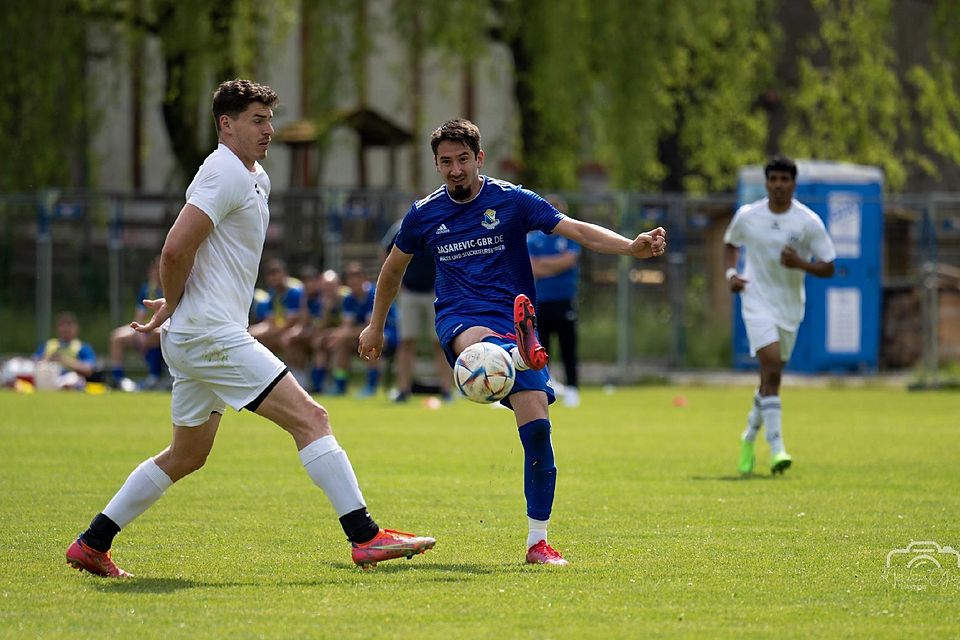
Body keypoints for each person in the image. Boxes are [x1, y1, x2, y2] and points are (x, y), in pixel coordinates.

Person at [65, 79, 434, 578]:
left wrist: (180, 304)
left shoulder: (252, 175)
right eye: (257, 120)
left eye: (269, 119)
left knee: (187, 454)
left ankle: (92, 543)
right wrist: (174, 303)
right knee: (312, 419)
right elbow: (174, 249)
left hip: (200, 334)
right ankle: (365, 537)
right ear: (226, 124)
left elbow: (199, 252)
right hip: (211, 335)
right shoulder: (223, 173)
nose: (269, 130)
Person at [358, 119, 666, 565]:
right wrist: (374, 326)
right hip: (462, 319)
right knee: (476, 350)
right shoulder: (424, 214)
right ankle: (516, 354)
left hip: (514, 317)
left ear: (479, 158)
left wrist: (631, 248)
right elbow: (392, 270)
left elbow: (576, 230)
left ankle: (537, 543)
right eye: (446, 162)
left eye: (463, 159)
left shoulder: (512, 200)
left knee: (538, 431)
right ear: (436, 165)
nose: (455, 169)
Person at [723, 155, 836, 477]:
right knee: (771, 366)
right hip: (755, 300)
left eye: (784, 179)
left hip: (790, 307)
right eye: (773, 179)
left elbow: (829, 265)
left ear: (793, 184)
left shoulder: (808, 222)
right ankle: (777, 449)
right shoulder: (749, 216)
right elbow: (729, 243)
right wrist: (731, 273)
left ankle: (747, 437)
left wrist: (801, 264)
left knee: (770, 378)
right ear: (766, 183)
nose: (778, 185)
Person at [380, 218, 451, 403]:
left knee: (441, 342)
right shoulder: (402, 226)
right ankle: (404, 390)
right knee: (406, 342)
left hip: (435, 293)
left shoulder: (439, 225)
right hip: (409, 292)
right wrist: (398, 283)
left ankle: (447, 390)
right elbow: (386, 252)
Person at [527, 195, 581, 407]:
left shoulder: (570, 238)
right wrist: (553, 265)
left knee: (569, 346)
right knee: (541, 348)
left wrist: (545, 265)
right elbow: (532, 266)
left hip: (564, 299)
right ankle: (545, 387)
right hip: (540, 301)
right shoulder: (533, 239)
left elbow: (569, 261)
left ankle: (573, 388)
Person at [330, 262, 396, 397]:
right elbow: (347, 325)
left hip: (387, 333)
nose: (353, 281)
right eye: (350, 278)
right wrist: (339, 335)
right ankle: (340, 384)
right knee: (342, 344)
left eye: (356, 277)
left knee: (371, 342)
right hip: (361, 335)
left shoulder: (373, 294)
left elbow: (372, 327)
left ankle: (371, 386)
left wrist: (343, 335)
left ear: (364, 279)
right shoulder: (349, 299)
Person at [109, 256, 165, 391]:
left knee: (155, 335)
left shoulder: (171, 287)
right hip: (146, 329)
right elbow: (139, 314)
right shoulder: (147, 289)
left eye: (159, 270)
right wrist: (139, 332)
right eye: (154, 270)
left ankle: (154, 377)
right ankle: (118, 380)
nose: (156, 274)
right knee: (117, 337)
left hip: (163, 328)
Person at [249, 258, 304, 353]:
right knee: (259, 339)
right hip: (282, 329)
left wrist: (259, 332)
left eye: (276, 273)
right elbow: (270, 321)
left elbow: (290, 323)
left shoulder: (294, 291)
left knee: (287, 340)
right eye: (270, 274)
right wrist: (250, 331)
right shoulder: (273, 293)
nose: (274, 277)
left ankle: (297, 368)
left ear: (285, 273)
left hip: (300, 329)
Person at [34, 311, 98, 390]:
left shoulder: (82, 347)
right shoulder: (48, 345)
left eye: (69, 325)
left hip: (71, 379)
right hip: (48, 377)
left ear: (76, 328)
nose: (66, 329)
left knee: (73, 379)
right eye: (62, 325)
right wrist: (47, 359)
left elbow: (88, 370)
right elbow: (35, 363)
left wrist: (64, 360)